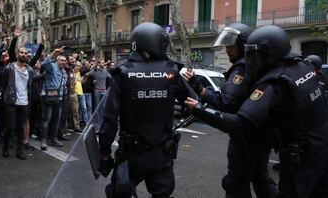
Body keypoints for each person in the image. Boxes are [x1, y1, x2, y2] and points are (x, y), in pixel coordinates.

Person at [185, 25, 328, 198]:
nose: (250, 62)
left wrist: (199, 109)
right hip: (320, 150)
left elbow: (239, 122)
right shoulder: (303, 68)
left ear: (269, 55)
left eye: (254, 57)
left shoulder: (275, 83)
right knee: (261, 177)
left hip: (301, 157)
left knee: (240, 183)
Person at [182, 23, 277, 197]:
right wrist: (201, 89)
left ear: (242, 45)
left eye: (231, 46)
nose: (227, 50)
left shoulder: (242, 68)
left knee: (236, 184)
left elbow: (226, 103)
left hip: (244, 137)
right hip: (261, 133)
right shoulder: (256, 64)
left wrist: (197, 90)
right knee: (261, 177)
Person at [99, 22, 194, 198]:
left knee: (118, 193)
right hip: (162, 153)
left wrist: (104, 152)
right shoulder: (171, 71)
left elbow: (110, 119)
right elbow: (193, 104)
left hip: (131, 154)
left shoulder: (123, 72)